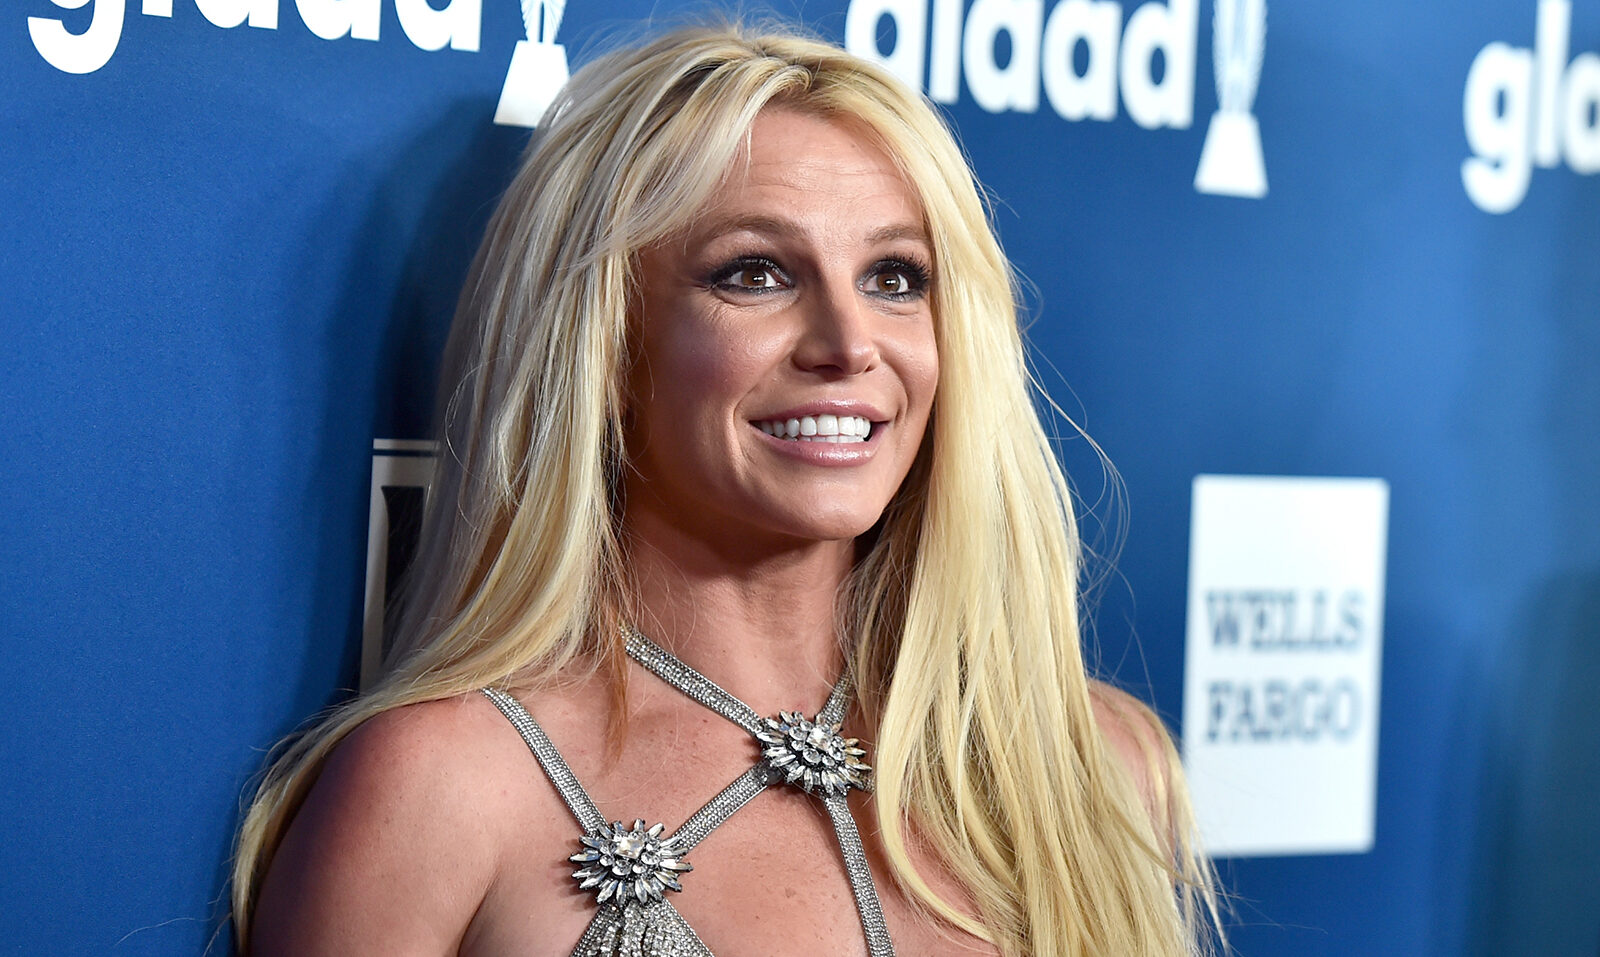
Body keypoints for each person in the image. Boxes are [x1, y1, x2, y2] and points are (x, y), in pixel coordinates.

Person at [231, 22, 1220, 957]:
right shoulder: (437, 790)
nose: (848, 344)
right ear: (607, 344)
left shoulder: (1097, 764)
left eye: (895, 277)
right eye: (753, 273)